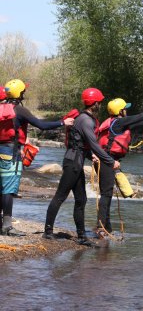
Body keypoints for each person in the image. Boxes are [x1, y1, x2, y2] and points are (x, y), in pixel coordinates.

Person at [43, 88, 120, 246]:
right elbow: (94, 145)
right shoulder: (86, 120)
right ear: (95, 104)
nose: (100, 104)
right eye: (99, 102)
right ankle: (48, 231)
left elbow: (79, 144)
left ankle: (82, 237)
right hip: (73, 163)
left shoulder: (84, 118)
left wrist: (88, 155)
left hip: (75, 161)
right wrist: (110, 161)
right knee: (60, 196)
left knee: (81, 199)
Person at [0, 79, 74, 236]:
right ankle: (7, 226)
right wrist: (63, 122)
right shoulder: (20, 110)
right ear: (19, 94)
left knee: (1, 187)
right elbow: (41, 125)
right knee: (8, 189)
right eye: (23, 91)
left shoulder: (1, 107)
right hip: (11, 154)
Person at [96, 98, 143, 236]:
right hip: (107, 160)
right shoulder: (119, 122)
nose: (126, 111)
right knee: (106, 194)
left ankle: (106, 227)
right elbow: (139, 117)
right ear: (120, 111)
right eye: (125, 108)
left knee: (108, 194)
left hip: (107, 160)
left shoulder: (118, 123)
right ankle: (100, 227)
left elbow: (140, 123)